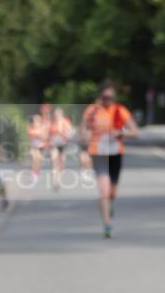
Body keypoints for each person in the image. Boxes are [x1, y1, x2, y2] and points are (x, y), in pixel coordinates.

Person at [80, 81, 138, 238]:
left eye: (111, 98)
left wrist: (121, 133)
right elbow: (83, 131)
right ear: (101, 96)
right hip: (98, 153)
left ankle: (109, 205)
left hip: (115, 153)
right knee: (104, 190)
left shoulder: (120, 110)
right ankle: (107, 224)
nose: (108, 101)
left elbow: (135, 131)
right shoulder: (92, 111)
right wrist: (85, 137)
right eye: (105, 97)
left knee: (112, 192)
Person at [49, 107, 75, 189]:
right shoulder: (52, 122)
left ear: (61, 114)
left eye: (59, 113)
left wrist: (66, 135)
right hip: (54, 144)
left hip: (62, 144)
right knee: (54, 161)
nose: (57, 115)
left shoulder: (65, 122)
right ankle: (55, 181)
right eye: (56, 114)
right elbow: (48, 133)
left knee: (61, 161)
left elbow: (71, 131)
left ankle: (59, 176)